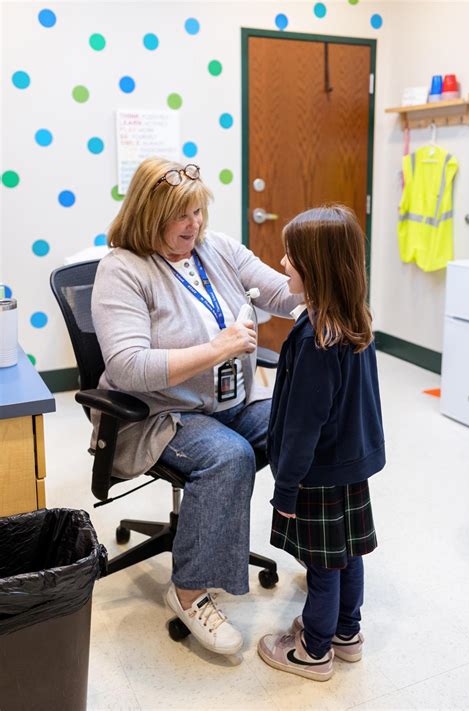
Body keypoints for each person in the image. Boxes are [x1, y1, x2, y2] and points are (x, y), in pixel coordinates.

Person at [91, 157, 302, 656]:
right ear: (148, 214)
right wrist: (217, 349)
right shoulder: (122, 270)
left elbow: (279, 291)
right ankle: (188, 591)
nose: (195, 225)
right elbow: (127, 367)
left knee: (300, 422)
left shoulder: (217, 249)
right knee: (229, 457)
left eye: (199, 211)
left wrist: (326, 290)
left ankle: (319, 550)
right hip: (159, 415)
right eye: (181, 215)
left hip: (232, 399)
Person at [258, 205, 385, 681]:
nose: (283, 262)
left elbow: (302, 426)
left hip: (317, 472)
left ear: (315, 267)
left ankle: (313, 650)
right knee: (349, 553)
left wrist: (286, 486)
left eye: (291, 256)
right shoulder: (356, 321)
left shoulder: (315, 339)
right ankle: (346, 634)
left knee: (322, 565)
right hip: (351, 464)